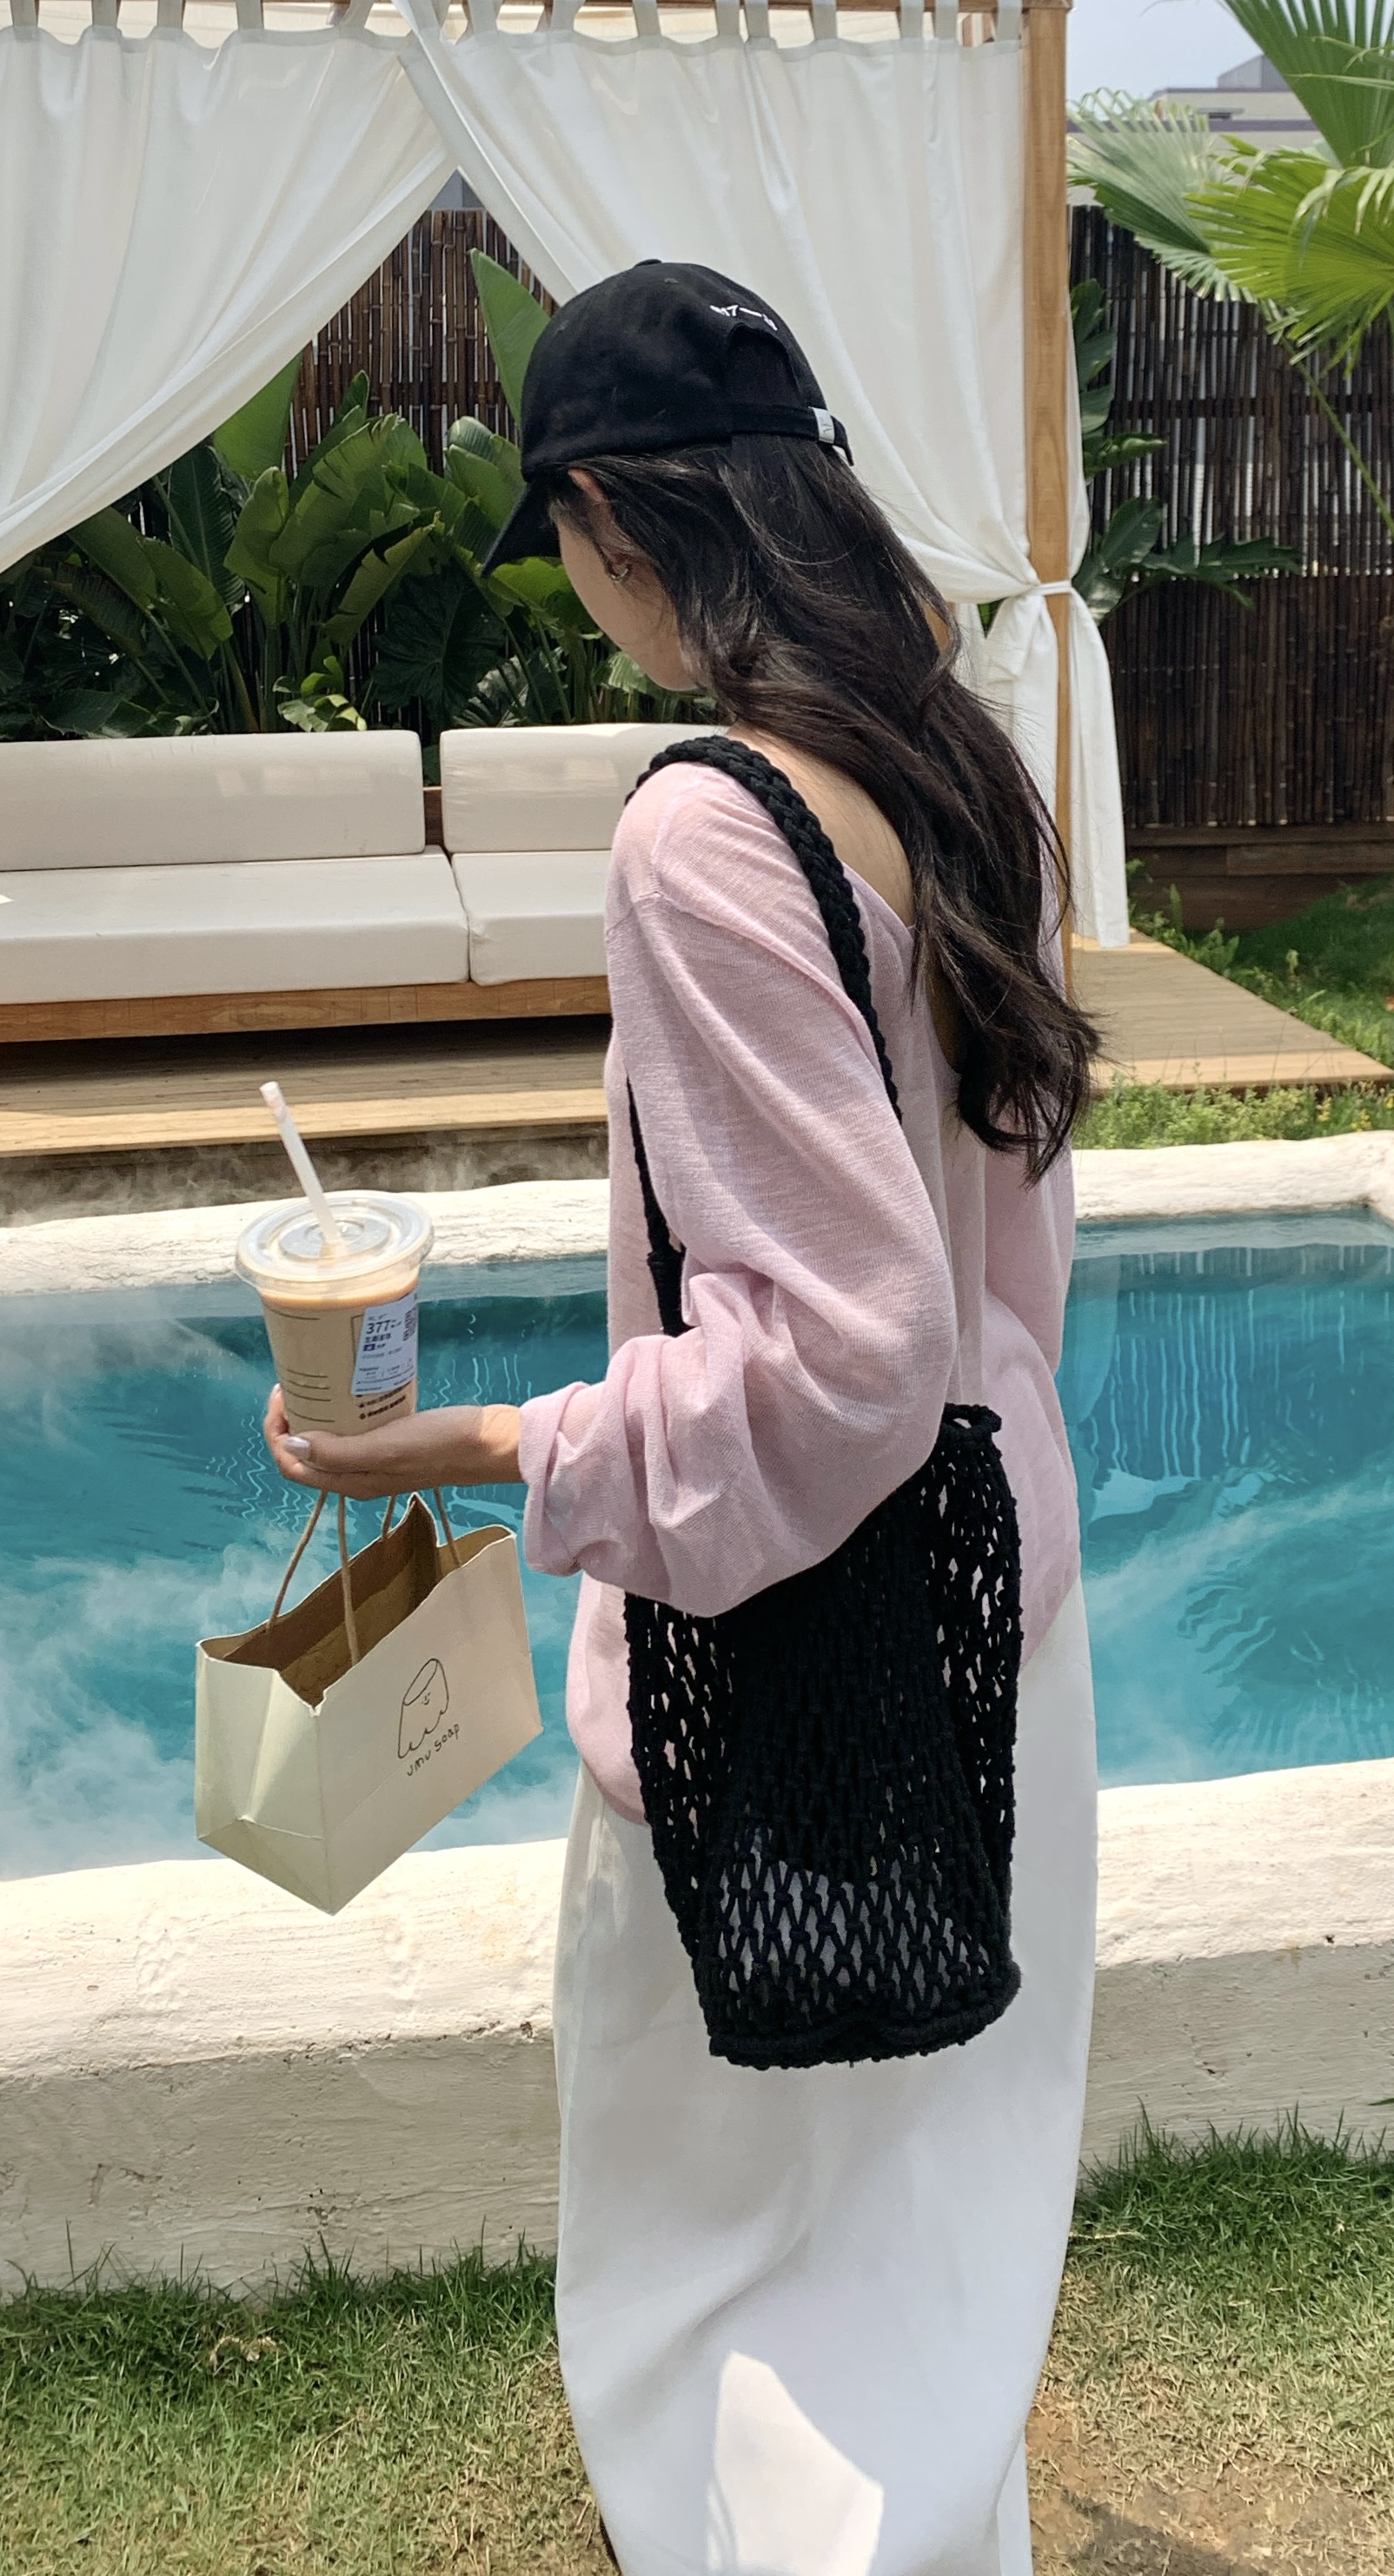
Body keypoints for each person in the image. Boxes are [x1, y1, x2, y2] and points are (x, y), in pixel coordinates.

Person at [264, 259, 1100, 2576]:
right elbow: (988, 1273)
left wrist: (495, 1452)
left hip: (790, 1639)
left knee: (704, 2200)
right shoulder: (955, 767)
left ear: (618, 519)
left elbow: (840, 1353)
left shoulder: (708, 831)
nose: (570, 585)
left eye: (561, 538)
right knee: (931, 2193)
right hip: (996, 1593)